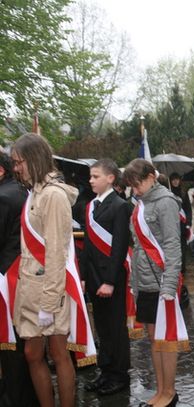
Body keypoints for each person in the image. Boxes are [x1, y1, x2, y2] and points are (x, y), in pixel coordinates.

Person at [10, 133, 78, 407]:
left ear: (34, 159)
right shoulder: (35, 192)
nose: (16, 168)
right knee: (32, 353)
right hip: (31, 289)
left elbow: (55, 252)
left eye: (19, 162)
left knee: (59, 354)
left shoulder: (52, 196)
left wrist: (49, 303)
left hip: (50, 290)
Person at [123, 159, 185, 407]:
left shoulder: (166, 202)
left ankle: (169, 393)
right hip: (145, 281)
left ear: (151, 176)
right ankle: (160, 391)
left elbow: (172, 245)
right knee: (153, 337)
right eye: (131, 187)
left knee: (165, 338)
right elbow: (138, 246)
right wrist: (134, 282)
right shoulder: (141, 203)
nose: (134, 191)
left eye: (137, 185)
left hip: (162, 282)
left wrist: (169, 285)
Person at [80, 159, 131, 396]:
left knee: (115, 328)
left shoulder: (120, 206)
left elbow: (119, 247)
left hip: (111, 279)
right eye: (90, 176)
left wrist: (110, 281)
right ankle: (106, 371)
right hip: (93, 277)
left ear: (110, 178)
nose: (91, 180)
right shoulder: (91, 207)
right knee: (102, 327)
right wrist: (82, 276)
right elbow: (87, 247)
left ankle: (119, 375)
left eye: (96, 176)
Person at [0, 152, 38, 407]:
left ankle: (14, 398)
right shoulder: (21, 191)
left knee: (9, 343)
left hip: (6, 274)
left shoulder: (4, 197)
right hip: (21, 273)